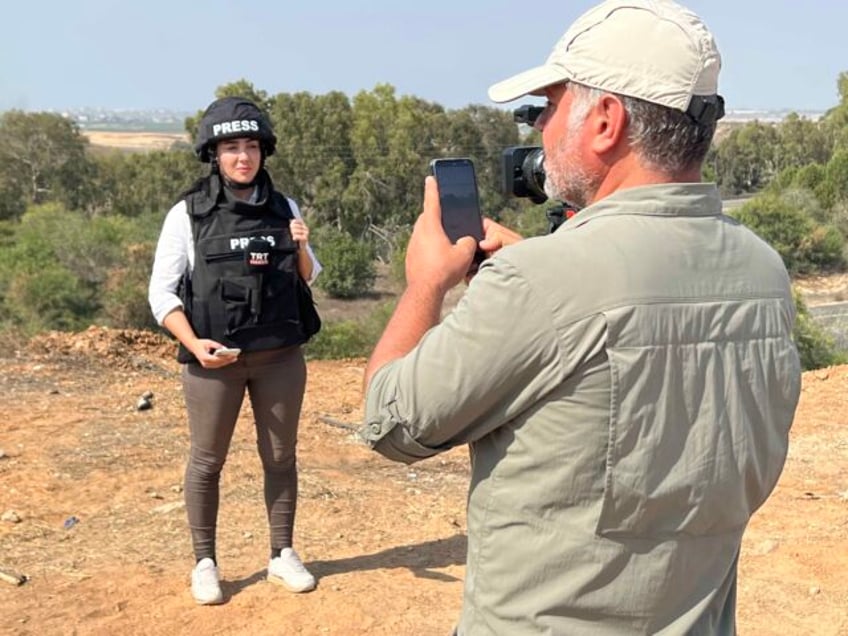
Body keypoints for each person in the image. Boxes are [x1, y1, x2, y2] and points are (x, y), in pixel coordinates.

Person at [360, 1, 802, 634]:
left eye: (547, 106)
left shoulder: (542, 284)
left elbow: (391, 420)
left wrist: (424, 285)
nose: (539, 128)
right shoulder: (762, 272)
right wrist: (539, 272)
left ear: (604, 120)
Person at [148, 96, 322, 605]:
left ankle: (282, 554)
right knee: (207, 460)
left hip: (280, 356)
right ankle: (205, 562)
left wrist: (303, 246)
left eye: (251, 146)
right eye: (231, 148)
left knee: (281, 456)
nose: (242, 157)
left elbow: (310, 277)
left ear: (263, 151)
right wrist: (194, 344)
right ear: (214, 154)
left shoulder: (285, 206)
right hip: (213, 362)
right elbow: (161, 293)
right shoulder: (188, 212)